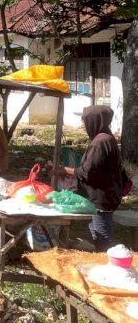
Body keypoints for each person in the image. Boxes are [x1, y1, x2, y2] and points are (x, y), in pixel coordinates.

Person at [55, 105, 123, 251]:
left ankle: (107, 262)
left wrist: (63, 169)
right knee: (95, 229)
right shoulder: (105, 137)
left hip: (102, 197)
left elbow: (87, 173)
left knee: (102, 236)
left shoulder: (100, 142)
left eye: (85, 121)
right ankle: (102, 256)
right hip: (104, 195)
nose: (83, 125)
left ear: (94, 121)